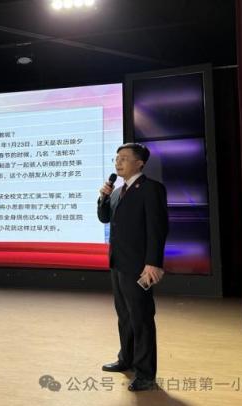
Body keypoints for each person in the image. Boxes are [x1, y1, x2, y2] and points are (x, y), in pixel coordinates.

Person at [97, 143, 169, 392]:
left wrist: (153, 262)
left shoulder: (151, 189)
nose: (118, 162)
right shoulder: (118, 191)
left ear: (140, 163)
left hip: (139, 266)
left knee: (141, 318)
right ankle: (126, 359)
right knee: (125, 316)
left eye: (124, 158)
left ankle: (146, 373)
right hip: (118, 263)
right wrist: (103, 198)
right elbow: (105, 218)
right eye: (117, 158)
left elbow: (158, 228)